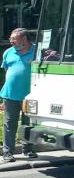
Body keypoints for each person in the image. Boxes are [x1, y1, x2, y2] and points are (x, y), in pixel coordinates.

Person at [1, 28, 38, 162]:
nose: (11, 41)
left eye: (14, 39)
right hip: (10, 94)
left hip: (30, 96)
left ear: (24, 39)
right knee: (9, 124)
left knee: (28, 124)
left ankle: (28, 150)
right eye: (11, 39)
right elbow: (6, 69)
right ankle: (7, 152)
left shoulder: (37, 51)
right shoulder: (8, 53)